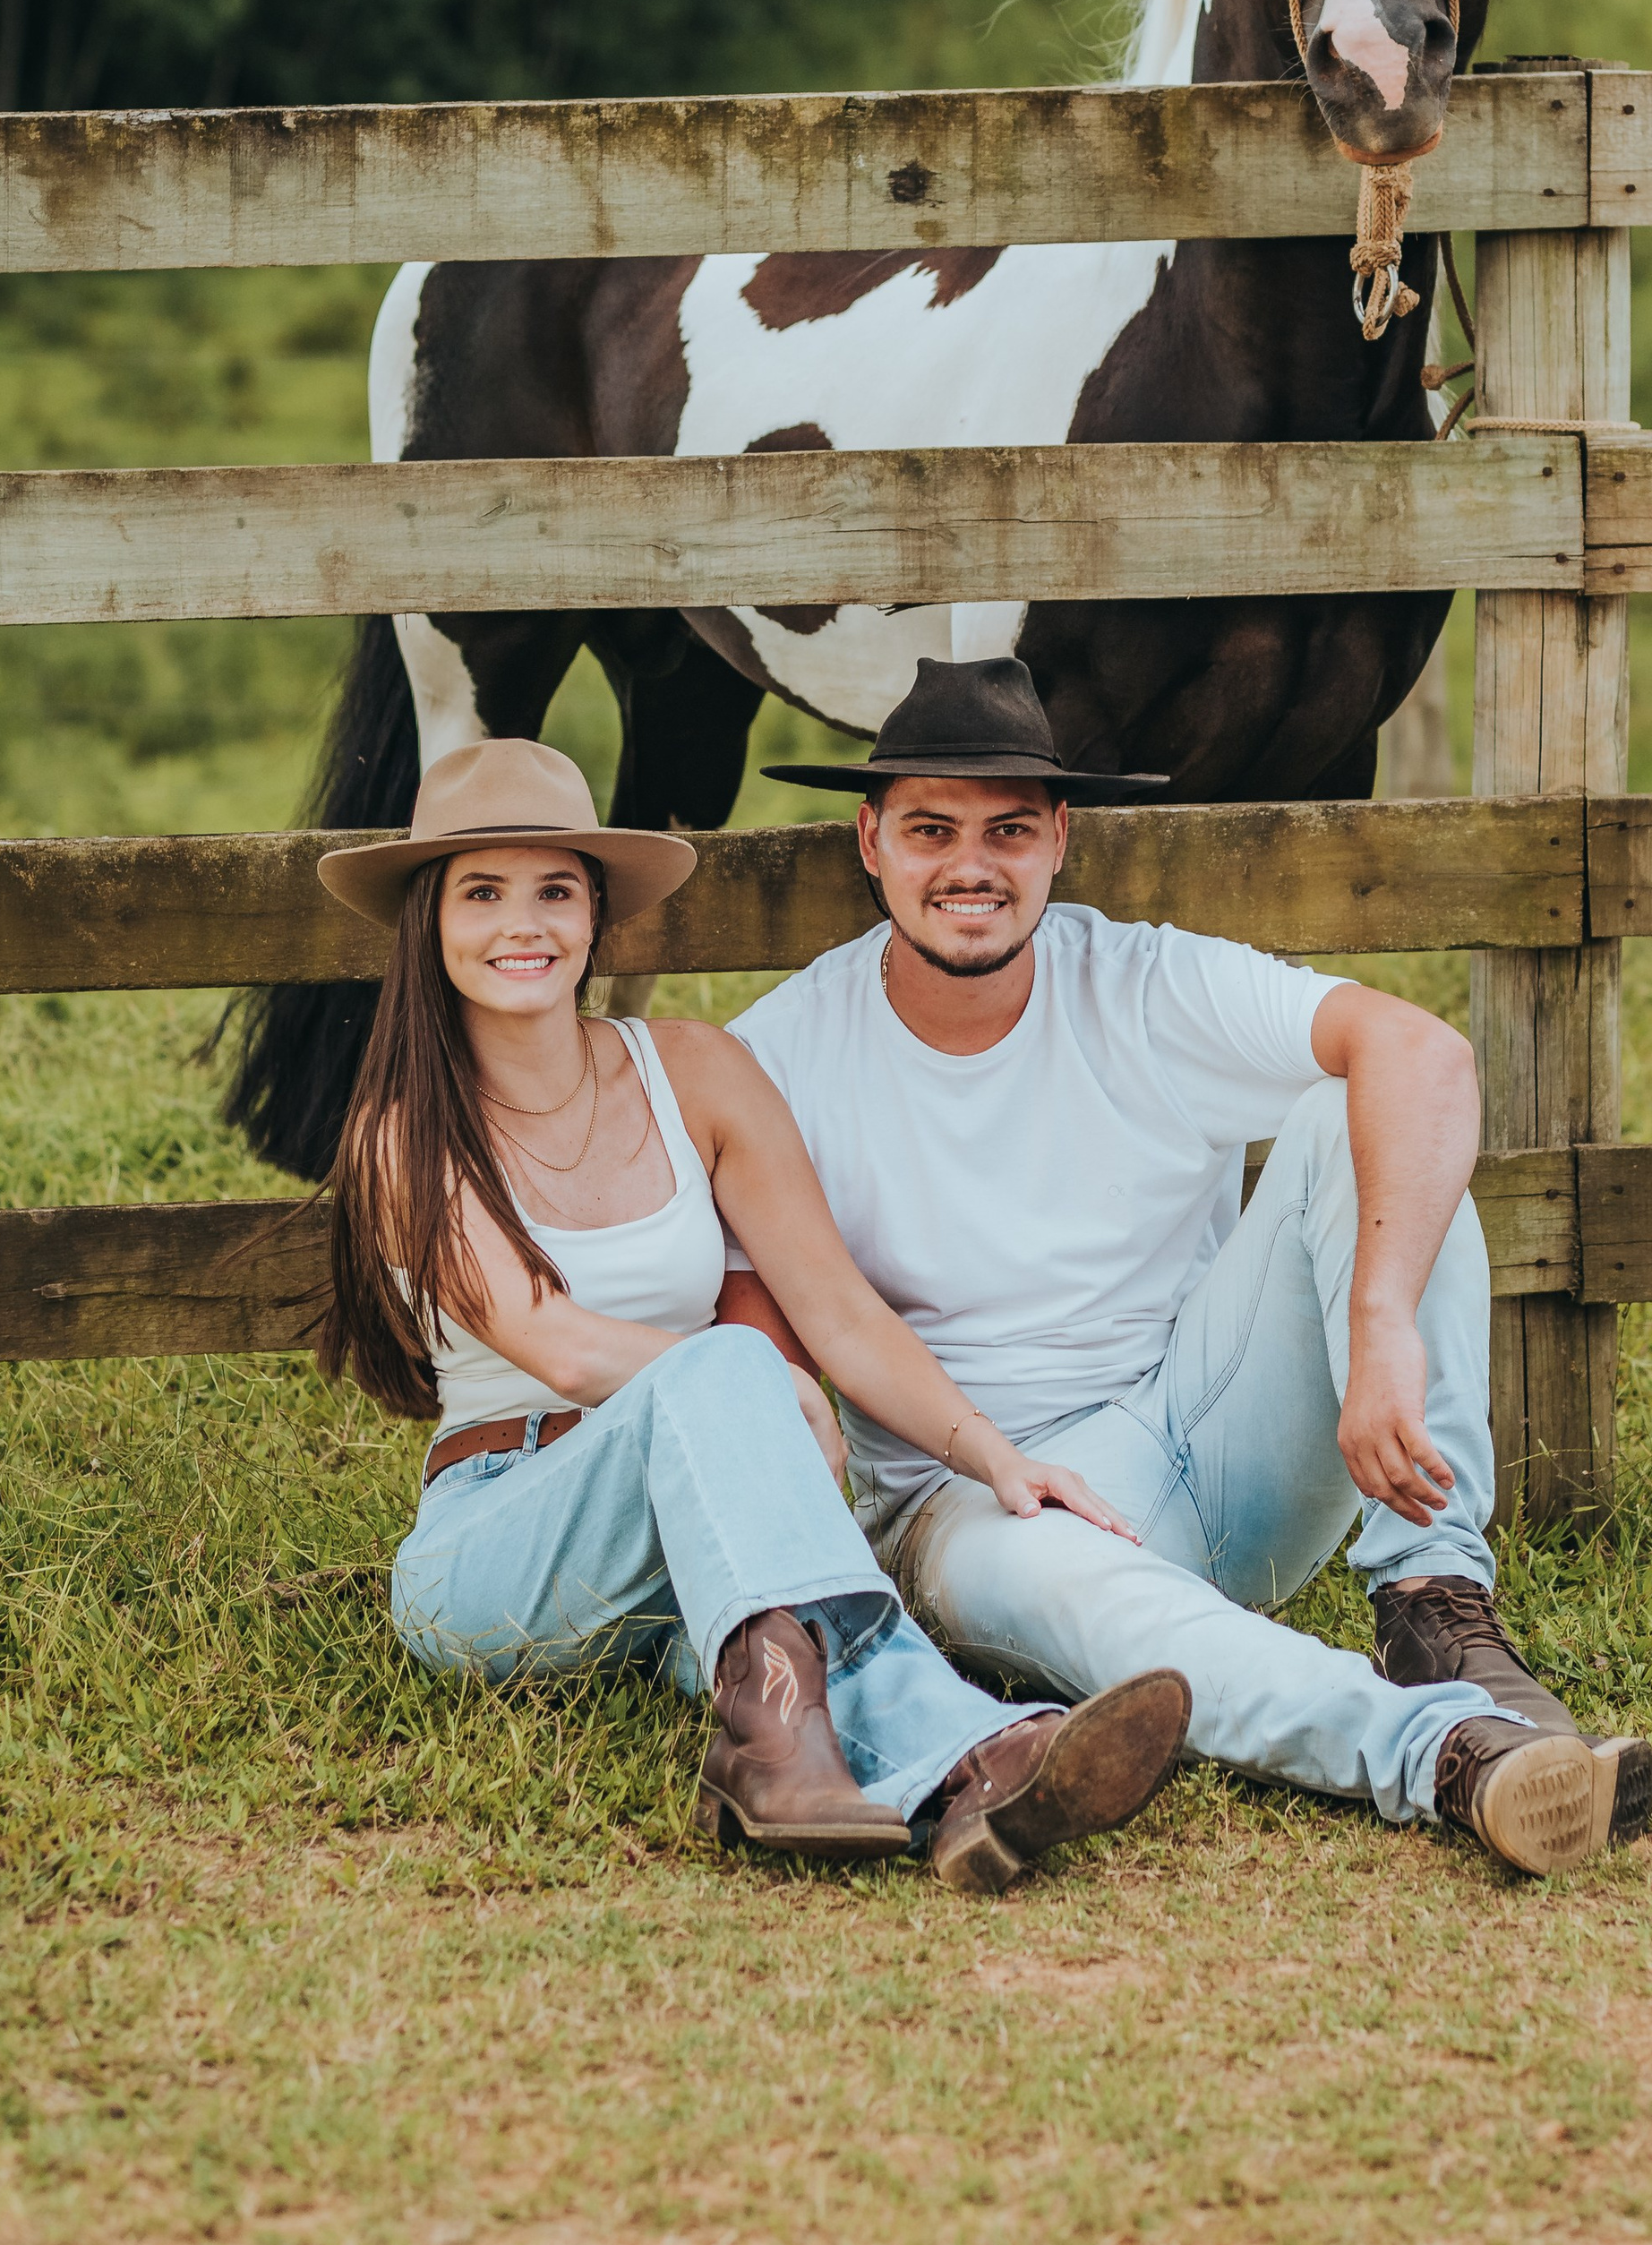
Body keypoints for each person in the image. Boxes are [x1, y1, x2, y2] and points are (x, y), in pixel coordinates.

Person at [717, 659, 1652, 1880]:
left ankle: (1435, 1607)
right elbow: (762, 1338)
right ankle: (1456, 1757)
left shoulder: (1143, 983)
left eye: (1010, 830)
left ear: (1058, 841)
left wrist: (1381, 1326)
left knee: (1350, 1119)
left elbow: (1420, 1053)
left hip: (1210, 1437)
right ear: (871, 842)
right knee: (1111, 1608)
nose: (971, 865)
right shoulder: (785, 1052)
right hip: (976, 1502)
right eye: (931, 829)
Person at [311, 735, 1190, 1891]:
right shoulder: (400, 1133)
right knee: (728, 1370)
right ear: (431, 919)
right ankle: (879, 1748)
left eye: (555, 893)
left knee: (784, 1639)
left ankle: (951, 1774)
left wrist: (993, 1456)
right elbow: (563, 1349)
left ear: (596, 916)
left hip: (693, 1532)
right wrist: (758, 1388)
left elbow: (838, 1310)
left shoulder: (699, 1073)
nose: (522, 926)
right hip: (497, 1548)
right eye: (483, 893)